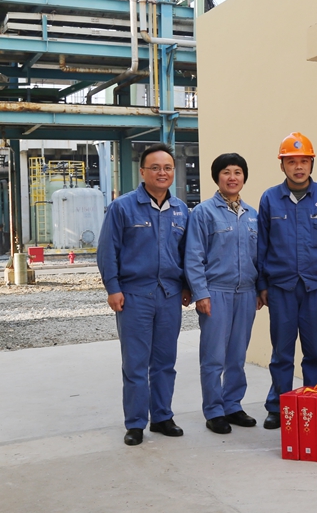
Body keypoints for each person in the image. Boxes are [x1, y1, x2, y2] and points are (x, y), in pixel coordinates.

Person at [97, 143, 191, 446]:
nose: (162, 173)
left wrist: (187, 286)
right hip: (134, 295)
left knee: (165, 361)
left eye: (167, 168)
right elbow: (107, 251)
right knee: (136, 363)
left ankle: (162, 417)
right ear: (142, 172)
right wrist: (113, 288)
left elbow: (187, 253)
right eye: (155, 167)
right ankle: (136, 423)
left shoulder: (181, 210)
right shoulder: (123, 207)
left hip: (169, 295)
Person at [258, 133, 317, 429]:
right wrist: (262, 285)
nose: (298, 167)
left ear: (312, 163)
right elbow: (261, 246)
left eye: (304, 161)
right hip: (281, 288)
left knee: (315, 351)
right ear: (282, 166)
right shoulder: (270, 199)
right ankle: (278, 406)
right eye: (291, 162)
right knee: (281, 352)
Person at [184, 153, 260, 435]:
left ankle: (233, 405)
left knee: (237, 355)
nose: (232, 177)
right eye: (226, 172)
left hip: (246, 293)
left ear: (244, 177)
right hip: (216, 292)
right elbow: (194, 256)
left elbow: (260, 256)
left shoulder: (252, 215)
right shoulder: (203, 213)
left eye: (238, 172)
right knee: (214, 356)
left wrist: (260, 289)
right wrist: (200, 293)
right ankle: (214, 410)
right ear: (217, 177)